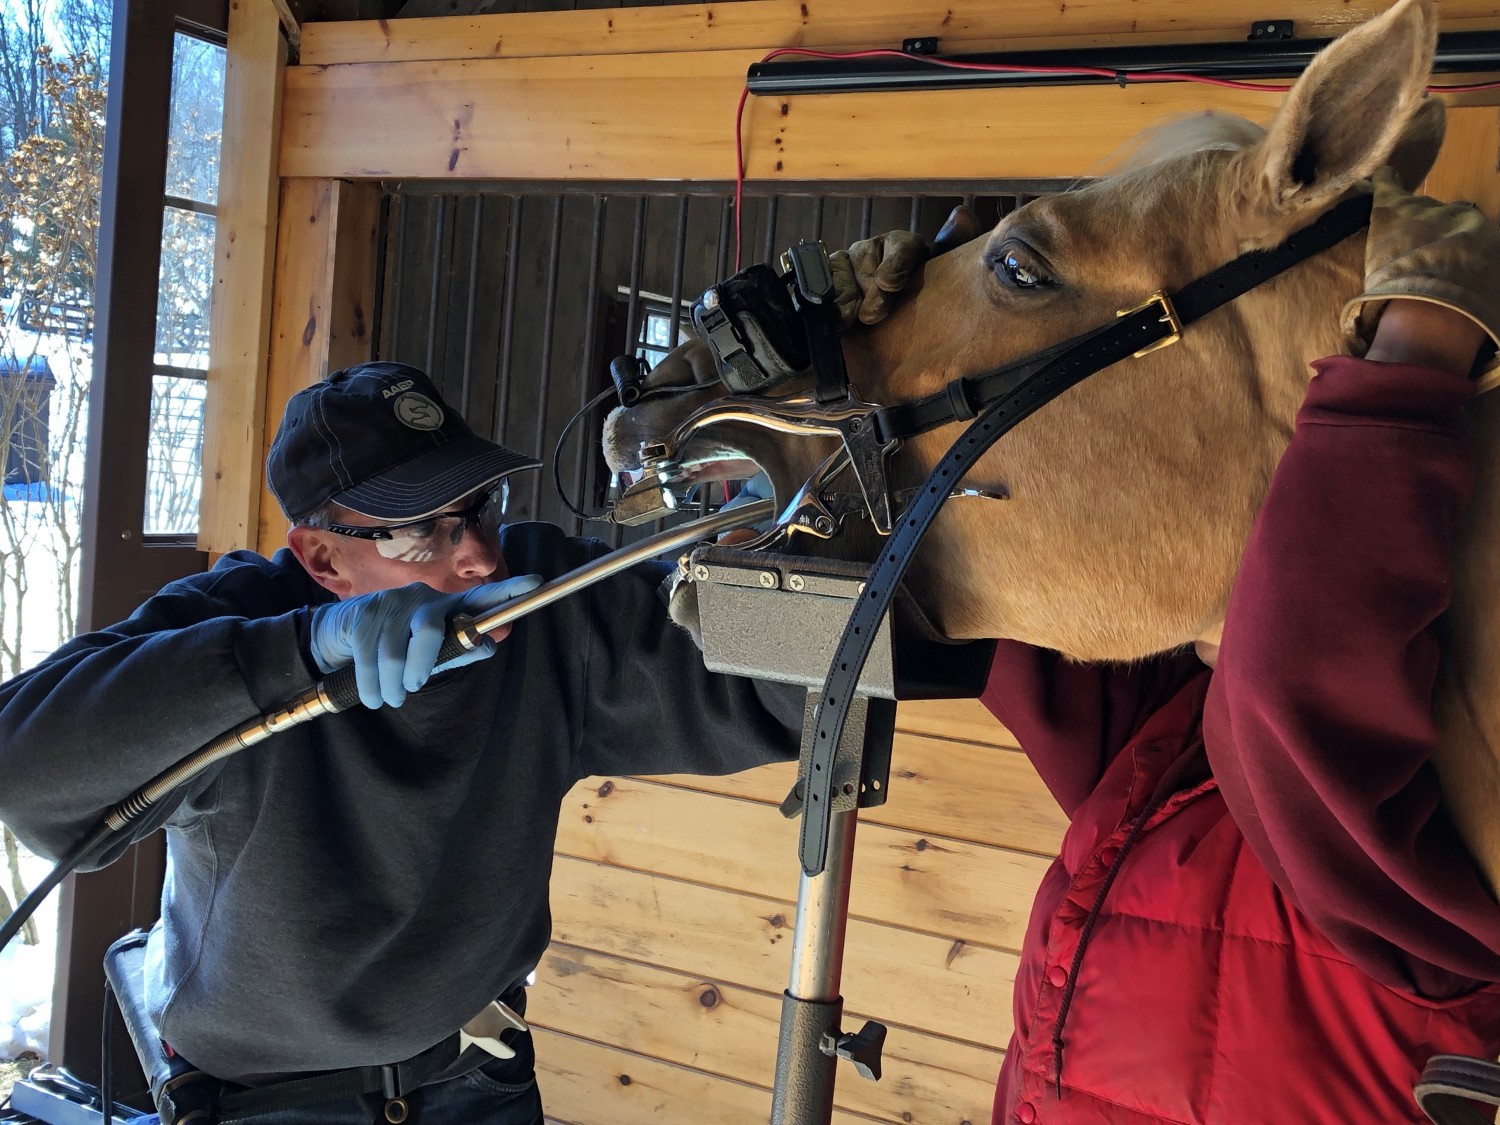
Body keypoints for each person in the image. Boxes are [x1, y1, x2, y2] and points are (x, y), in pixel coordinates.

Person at [840, 173, 1500, 1124]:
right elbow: (1296, 718)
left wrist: (860, 382)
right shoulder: (1402, 915)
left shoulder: (1201, 757)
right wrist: (1413, 352)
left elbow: (1137, 729)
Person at [0, 361, 805, 1124]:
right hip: (262, 1099)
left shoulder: (535, 600)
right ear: (321, 557)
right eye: (423, 531)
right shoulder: (234, 619)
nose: (480, 555)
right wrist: (303, 652)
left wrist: (804, 484)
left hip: (478, 1073)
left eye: (482, 506)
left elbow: (775, 685)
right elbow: (24, 763)